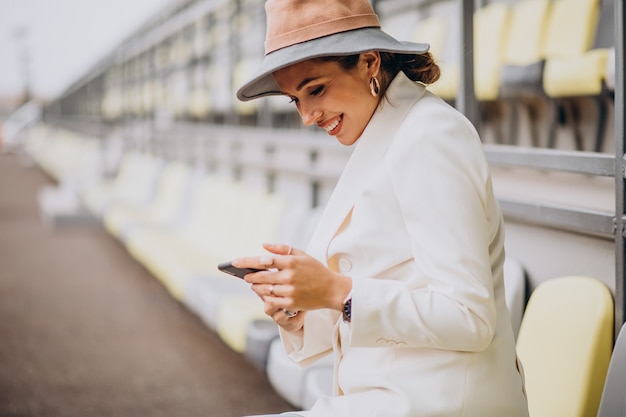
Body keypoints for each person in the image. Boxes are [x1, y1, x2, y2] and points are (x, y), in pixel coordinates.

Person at [232, 0, 530, 416]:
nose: (307, 116)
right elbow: (382, 282)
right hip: (392, 398)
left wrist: (334, 290)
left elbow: (469, 316)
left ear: (370, 63)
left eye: (315, 89)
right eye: (294, 101)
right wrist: (297, 308)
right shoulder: (388, 131)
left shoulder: (429, 135)